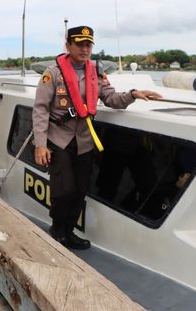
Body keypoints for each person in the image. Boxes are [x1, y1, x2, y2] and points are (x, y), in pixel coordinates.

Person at [32, 26, 162, 250]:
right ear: (68, 45)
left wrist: (133, 95)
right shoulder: (53, 74)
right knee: (63, 189)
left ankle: (69, 231)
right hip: (59, 138)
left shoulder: (95, 74)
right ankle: (57, 228)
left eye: (88, 45)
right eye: (80, 44)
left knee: (81, 189)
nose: (85, 49)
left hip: (83, 140)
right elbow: (41, 109)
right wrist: (40, 145)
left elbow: (111, 98)